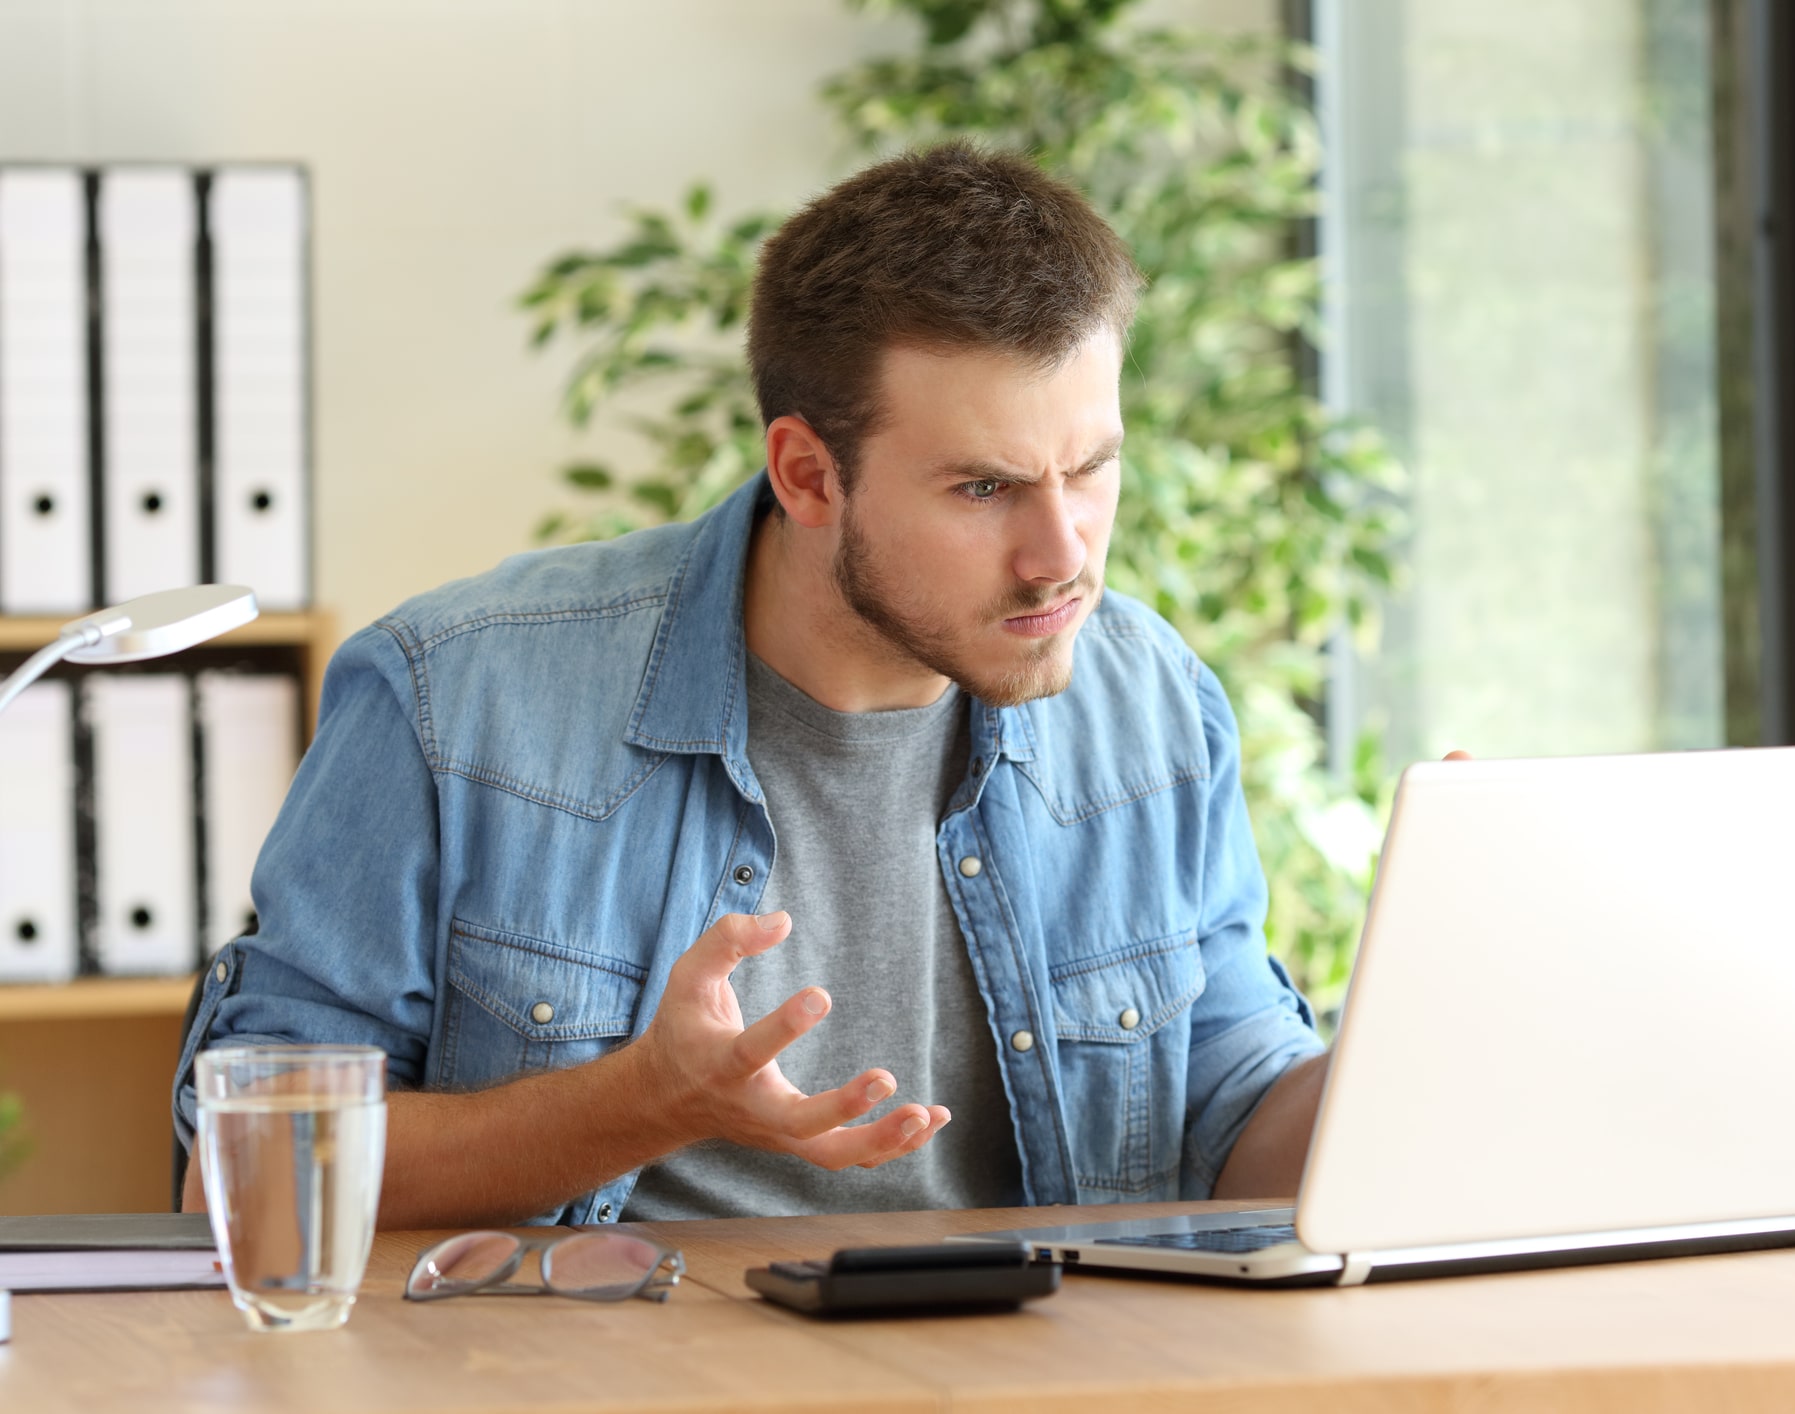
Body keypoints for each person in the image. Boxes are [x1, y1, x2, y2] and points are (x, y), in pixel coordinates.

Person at [175, 142, 1329, 1229]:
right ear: (808, 474)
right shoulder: (455, 701)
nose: (1063, 552)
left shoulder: (1155, 708)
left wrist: (1429, 1048)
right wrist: (639, 1103)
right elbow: (246, 1177)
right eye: (984, 489)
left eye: (1090, 469)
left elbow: (1235, 1121)